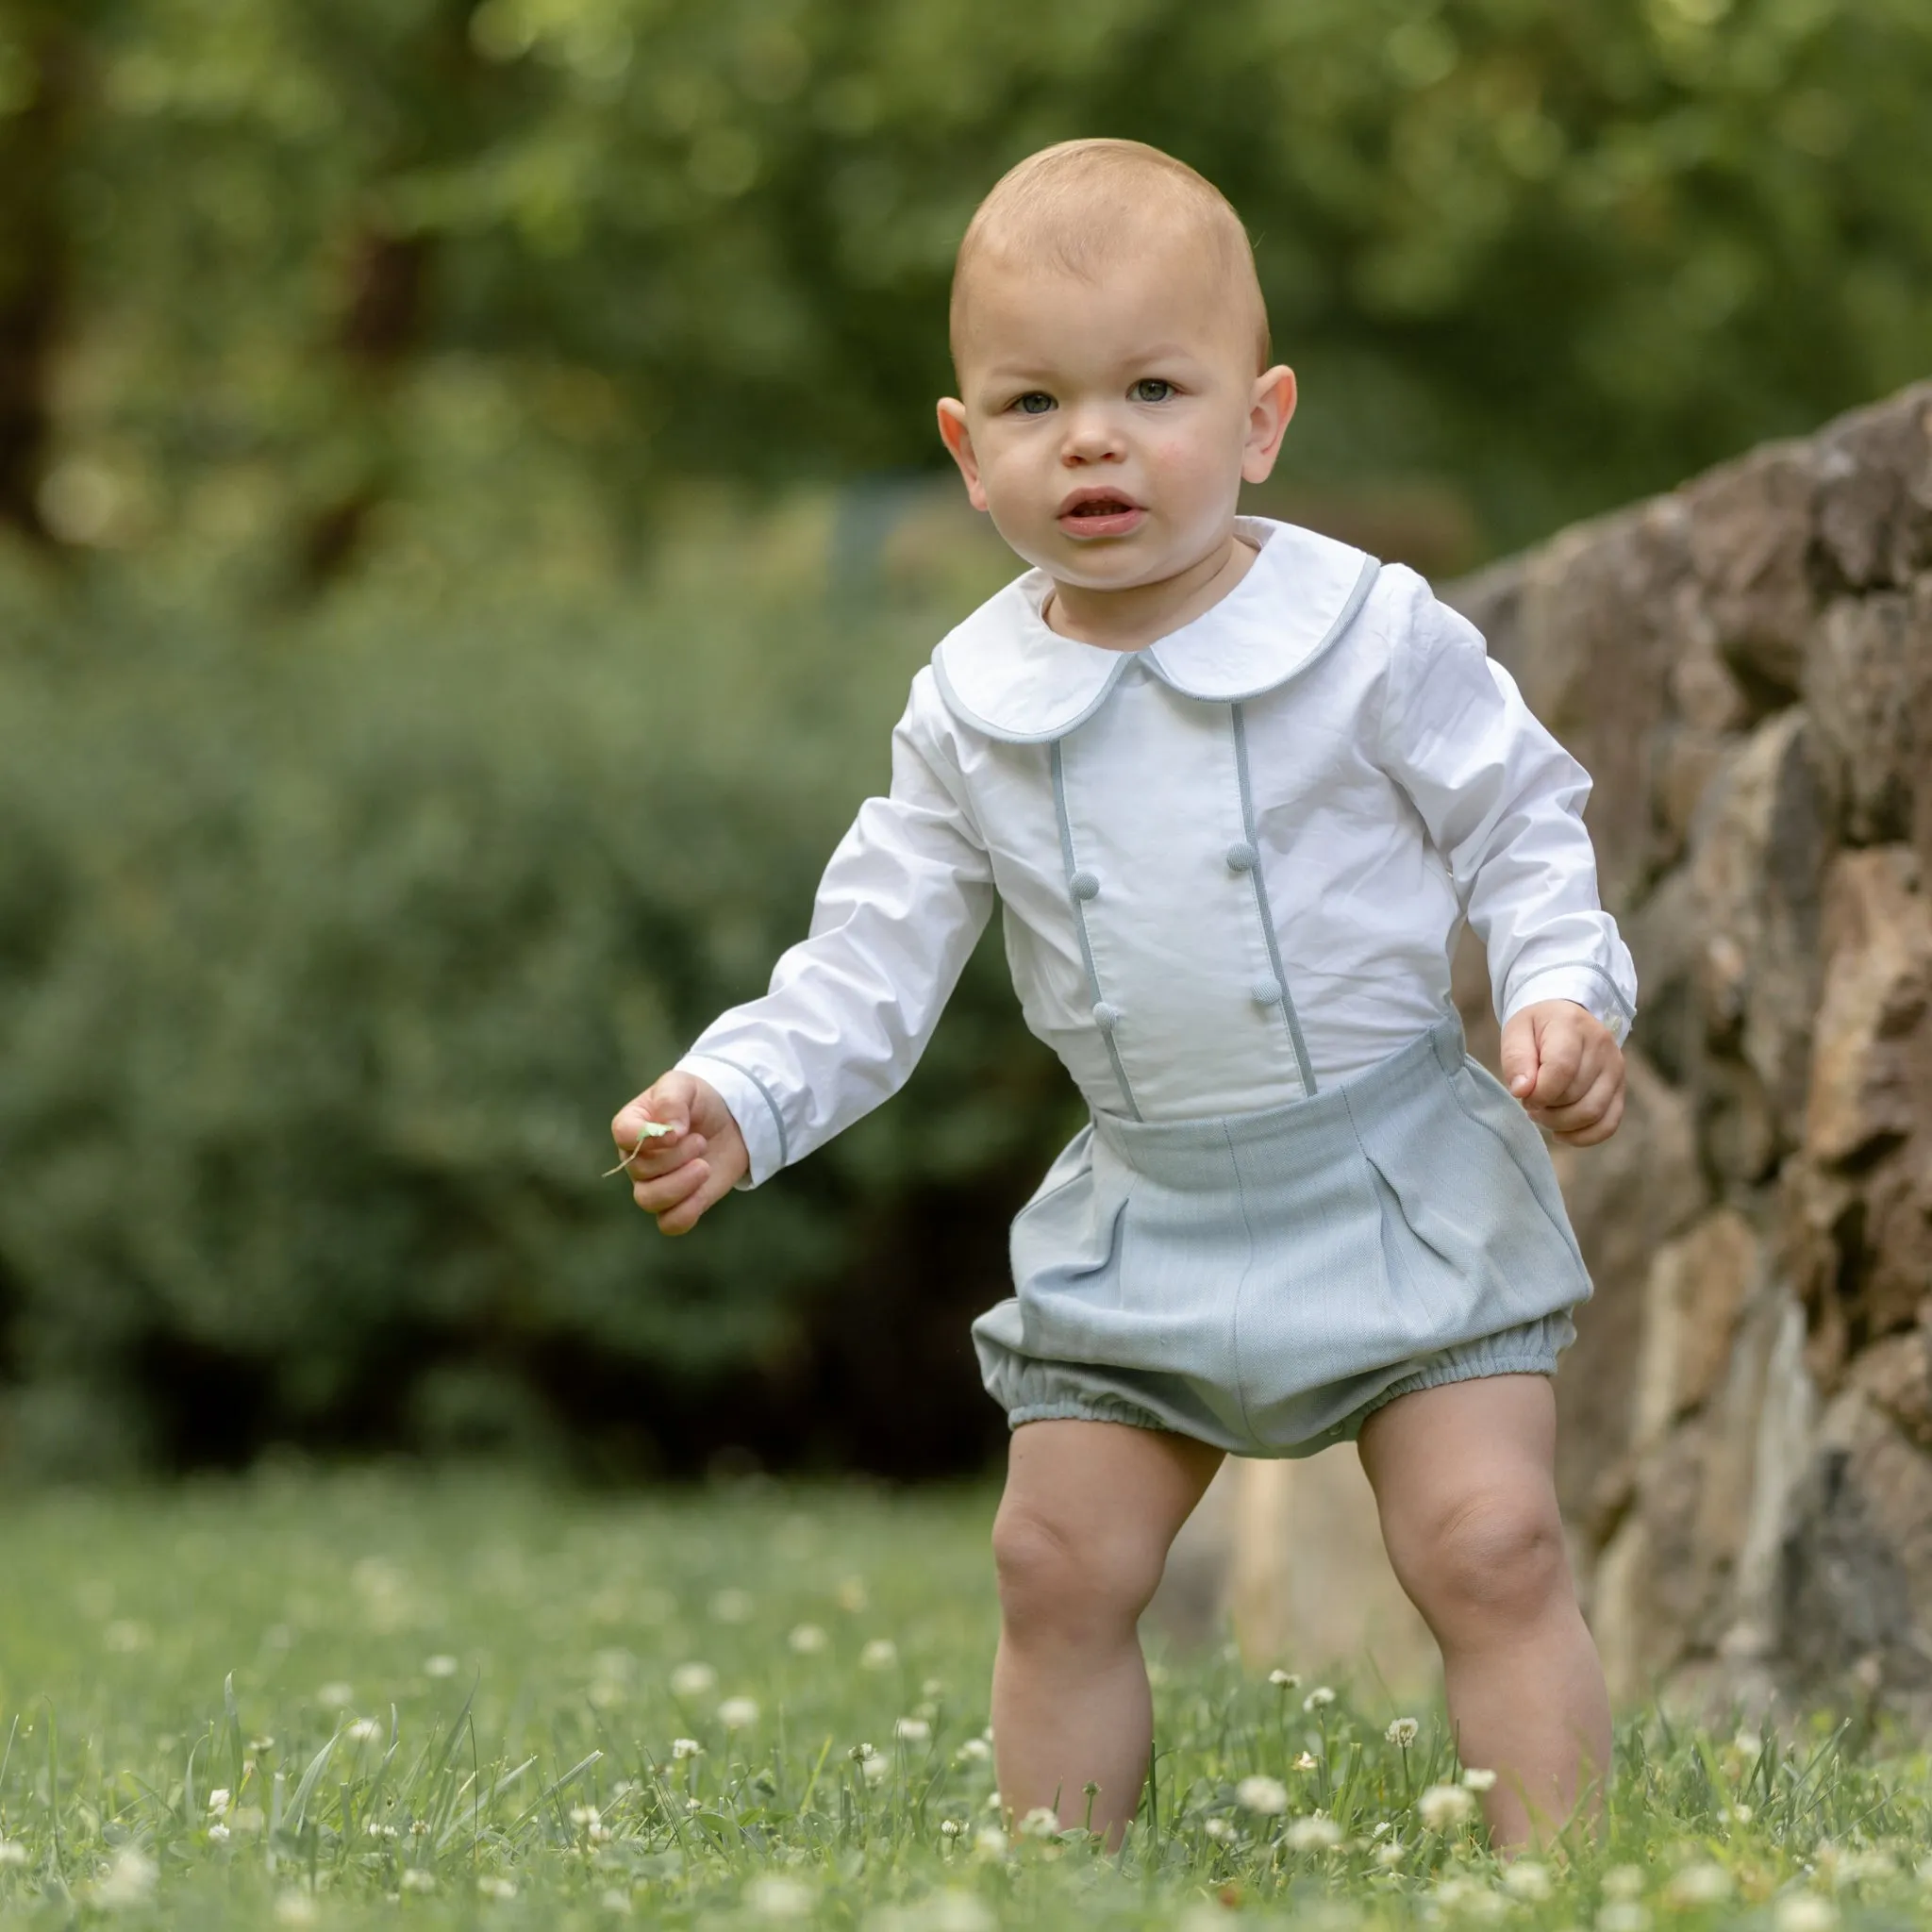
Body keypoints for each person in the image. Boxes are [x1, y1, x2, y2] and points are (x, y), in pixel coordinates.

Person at [609, 138, 1635, 1854]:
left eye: (1154, 388)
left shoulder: (1368, 632)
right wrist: (742, 1094)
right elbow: (873, 950)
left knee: (1489, 1544)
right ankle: (1058, 1886)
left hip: (1395, 1174)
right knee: (1053, 1561)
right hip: (1149, 1206)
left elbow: (1522, 816)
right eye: (1033, 403)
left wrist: (1558, 985)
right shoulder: (972, 702)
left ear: (1259, 420)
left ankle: (1575, 1882)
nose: (1092, 437)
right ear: (967, 451)